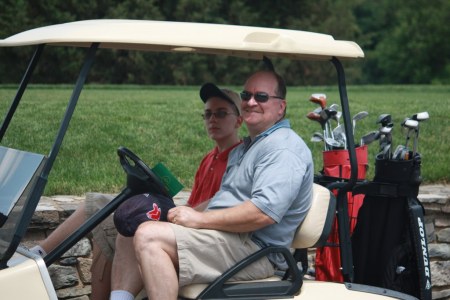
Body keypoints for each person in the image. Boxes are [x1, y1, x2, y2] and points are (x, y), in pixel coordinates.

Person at [109, 70, 314, 300]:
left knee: (149, 236)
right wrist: (175, 213)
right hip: (228, 239)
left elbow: (262, 213)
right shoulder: (249, 146)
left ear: (281, 107)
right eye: (246, 95)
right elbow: (223, 198)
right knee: (135, 225)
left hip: (256, 251)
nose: (251, 102)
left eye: (262, 97)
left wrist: (199, 219)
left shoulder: (283, 148)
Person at [31, 82, 243, 300]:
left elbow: (218, 203)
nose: (212, 120)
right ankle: (38, 255)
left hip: (202, 232)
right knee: (97, 205)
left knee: (129, 223)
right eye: (207, 114)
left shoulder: (239, 160)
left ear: (239, 120)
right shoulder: (210, 158)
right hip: (185, 221)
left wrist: (181, 215)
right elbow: (193, 202)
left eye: (221, 113)